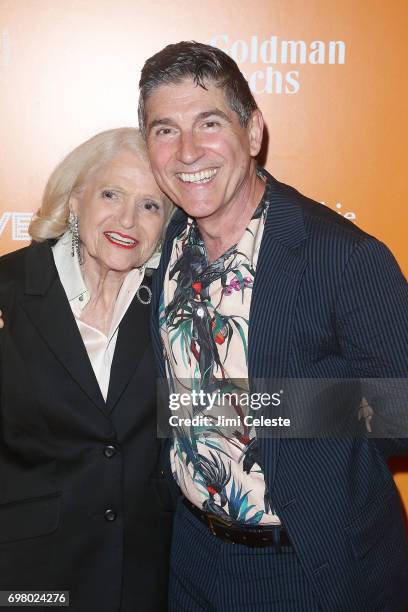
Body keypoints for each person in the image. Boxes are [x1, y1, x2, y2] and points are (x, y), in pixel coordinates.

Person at [137, 42, 408, 611]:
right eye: (165, 130)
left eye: (209, 123)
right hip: (188, 552)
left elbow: (401, 417)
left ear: (253, 132)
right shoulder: (159, 246)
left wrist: (260, 408)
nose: (187, 151)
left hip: (308, 565)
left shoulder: (344, 256)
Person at [0, 128, 174, 612]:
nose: (128, 220)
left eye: (151, 205)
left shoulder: (175, 302)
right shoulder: (9, 290)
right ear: (76, 199)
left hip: (145, 576)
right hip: (29, 576)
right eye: (111, 194)